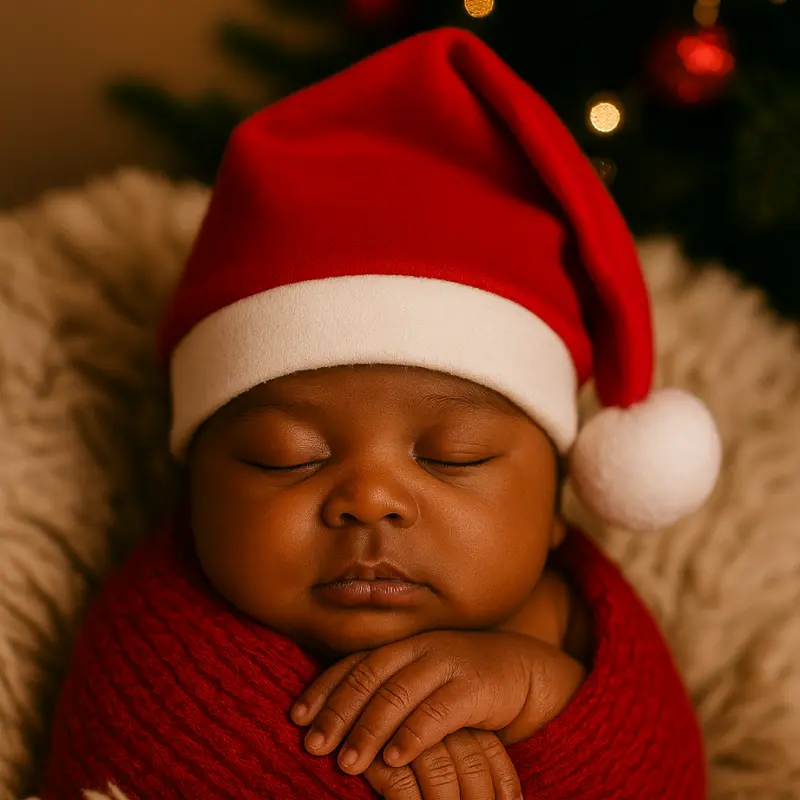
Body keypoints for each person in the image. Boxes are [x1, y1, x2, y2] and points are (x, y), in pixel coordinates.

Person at [35, 26, 721, 800]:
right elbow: (122, 763)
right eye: (283, 455)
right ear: (194, 484)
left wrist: (544, 694)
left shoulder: (576, 626)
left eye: (452, 456)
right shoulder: (162, 637)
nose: (370, 499)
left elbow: (672, 773)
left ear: (559, 504)